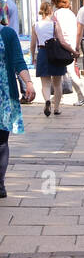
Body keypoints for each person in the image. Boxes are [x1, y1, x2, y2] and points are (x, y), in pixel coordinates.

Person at [0, 14, 35, 197]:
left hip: (4, 97)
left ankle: (0, 184)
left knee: (1, 141)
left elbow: (18, 61)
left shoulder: (7, 34)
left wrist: (28, 82)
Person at [32, 1, 67, 117]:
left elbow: (33, 44)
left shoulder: (35, 25)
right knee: (57, 83)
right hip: (55, 54)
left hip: (42, 52)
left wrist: (33, 56)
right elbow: (62, 41)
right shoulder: (55, 24)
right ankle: (56, 108)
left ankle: (47, 100)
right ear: (51, 11)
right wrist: (72, 51)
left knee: (45, 84)